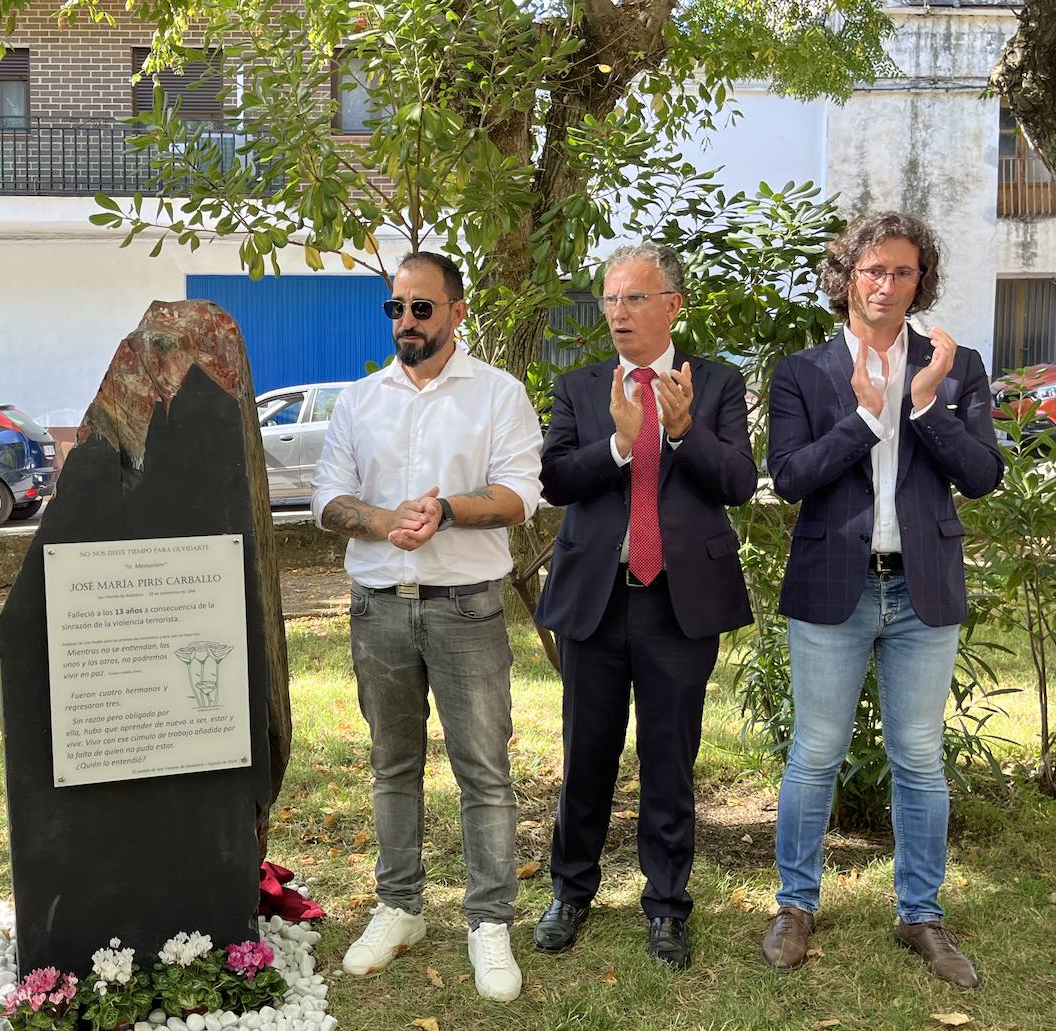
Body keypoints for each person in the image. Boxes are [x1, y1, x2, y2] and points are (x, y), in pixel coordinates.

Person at [761, 212, 1002, 988]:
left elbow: (985, 474)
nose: (886, 284)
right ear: (847, 277)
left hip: (922, 586)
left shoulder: (954, 365)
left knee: (920, 759)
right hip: (834, 583)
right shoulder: (804, 372)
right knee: (815, 752)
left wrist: (927, 406)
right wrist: (868, 416)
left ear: (918, 280)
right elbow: (792, 477)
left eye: (902, 272)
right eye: (872, 270)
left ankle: (921, 913)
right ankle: (795, 905)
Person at [311, 251, 542, 1003]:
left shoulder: (498, 395)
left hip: (467, 605)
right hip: (380, 607)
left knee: (484, 770)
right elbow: (327, 501)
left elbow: (517, 496)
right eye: (396, 308)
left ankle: (489, 920)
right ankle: (400, 906)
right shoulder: (359, 399)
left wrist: (444, 511)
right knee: (392, 765)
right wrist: (384, 520)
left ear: (456, 312)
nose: (406, 322)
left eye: (421, 308)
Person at [531, 242, 756, 969]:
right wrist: (620, 445)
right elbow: (558, 479)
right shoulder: (582, 384)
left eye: (634, 298)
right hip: (596, 602)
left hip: (678, 604)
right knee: (584, 755)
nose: (618, 313)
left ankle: (666, 905)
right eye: (609, 299)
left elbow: (739, 484)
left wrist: (684, 431)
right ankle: (571, 890)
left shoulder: (714, 383)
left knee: (670, 760)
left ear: (671, 305)